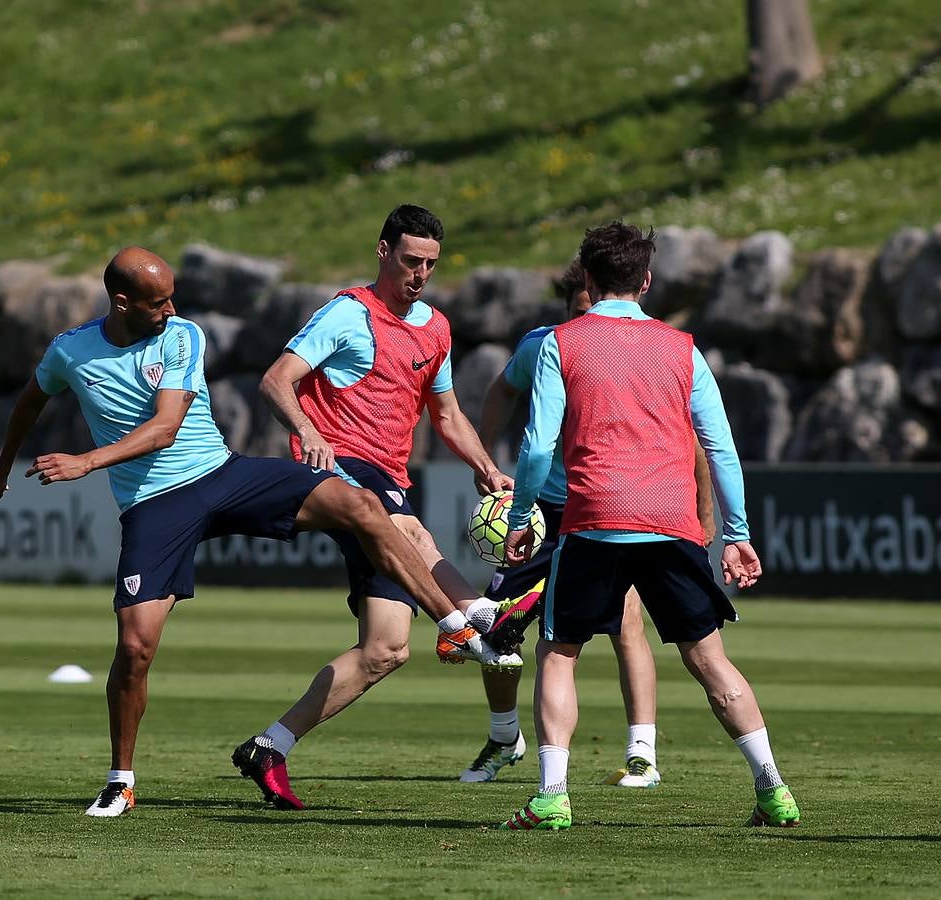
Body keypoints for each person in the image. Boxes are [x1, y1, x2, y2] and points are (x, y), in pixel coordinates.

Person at [0, 246, 507, 819]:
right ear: (122, 301)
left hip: (221, 475)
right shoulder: (70, 351)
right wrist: (3, 466)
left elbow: (164, 428)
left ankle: (454, 622)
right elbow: (31, 400)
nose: (171, 308)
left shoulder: (181, 336)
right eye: (158, 302)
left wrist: (85, 461)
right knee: (135, 648)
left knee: (359, 502)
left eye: (172, 296)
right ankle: (121, 780)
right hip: (153, 506)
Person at [497, 223, 800, 831]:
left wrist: (524, 511)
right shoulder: (683, 348)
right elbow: (720, 447)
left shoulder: (562, 342)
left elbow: (536, 447)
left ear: (587, 278)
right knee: (710, 660)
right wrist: (737, 533)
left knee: (559, 653)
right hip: (671, 525)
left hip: (593, 523)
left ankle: (553, 797)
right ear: (647, 280)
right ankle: (773, 789)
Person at [233, 204, 519, 810]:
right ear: (383, 251)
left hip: (389, 478)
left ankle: (270, 746)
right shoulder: (346, 314)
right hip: (344, 474)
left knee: (386, 648)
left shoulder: (435, 327)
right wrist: (307, 431)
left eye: (431, 264)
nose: (420, 273)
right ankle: (476, 613)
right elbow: (275, 380)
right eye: (411, 260)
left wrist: (487, 467)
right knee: (409, 528)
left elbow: (446, 416)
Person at [459, 258, 717, 788]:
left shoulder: (642, 349)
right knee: (495, 625)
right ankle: (504, 737)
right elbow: (502, 391)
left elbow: (692, 436)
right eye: (583, 310)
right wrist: (487, 459)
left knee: (625, 624)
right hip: (543, 510)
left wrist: (706, 510)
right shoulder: (545, 345)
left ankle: (641, 751)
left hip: (602, 509)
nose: (595, 318)